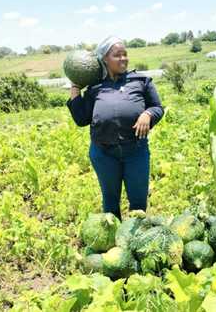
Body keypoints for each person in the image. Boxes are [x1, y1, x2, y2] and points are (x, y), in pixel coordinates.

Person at [66, 36, 164, 220]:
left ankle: (136, 241)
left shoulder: (141, 80)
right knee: (110, 203)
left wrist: (148, 114)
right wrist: (75, 86)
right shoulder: (95, 87)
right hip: (104, 154)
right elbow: (81, 119)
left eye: (125, 54)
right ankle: (113, 244)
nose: (123, 59)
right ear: (104, 59)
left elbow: (158, 107)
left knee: (138, 204)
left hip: (136, 152)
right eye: (117, 55)